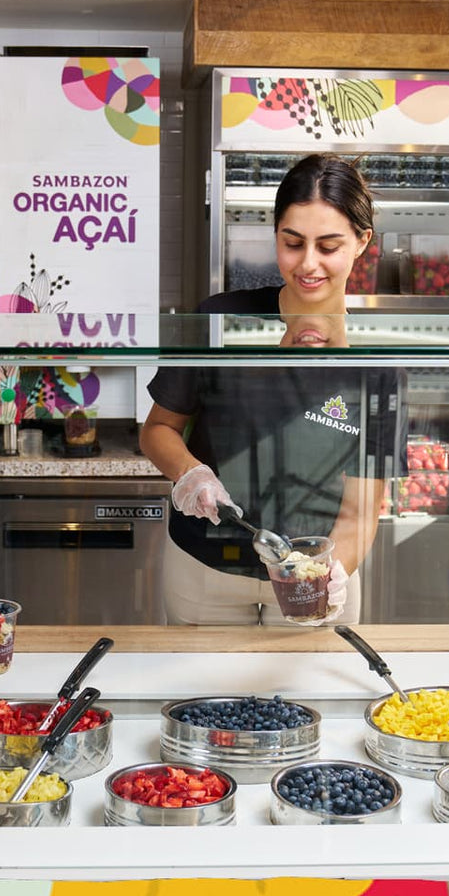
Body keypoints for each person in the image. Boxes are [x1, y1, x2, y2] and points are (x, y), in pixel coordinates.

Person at [139, 153, 403, 625]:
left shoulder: (379, 362)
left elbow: (362, 511)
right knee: (202, 699)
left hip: (314, 574)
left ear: (362, 241)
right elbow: (158, 429)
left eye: (328, 246)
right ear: (275, 233)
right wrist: (190, 472)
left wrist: (332, 574)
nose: (308, 264)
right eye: (293, 242)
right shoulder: (220, 321)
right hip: (203, 572)